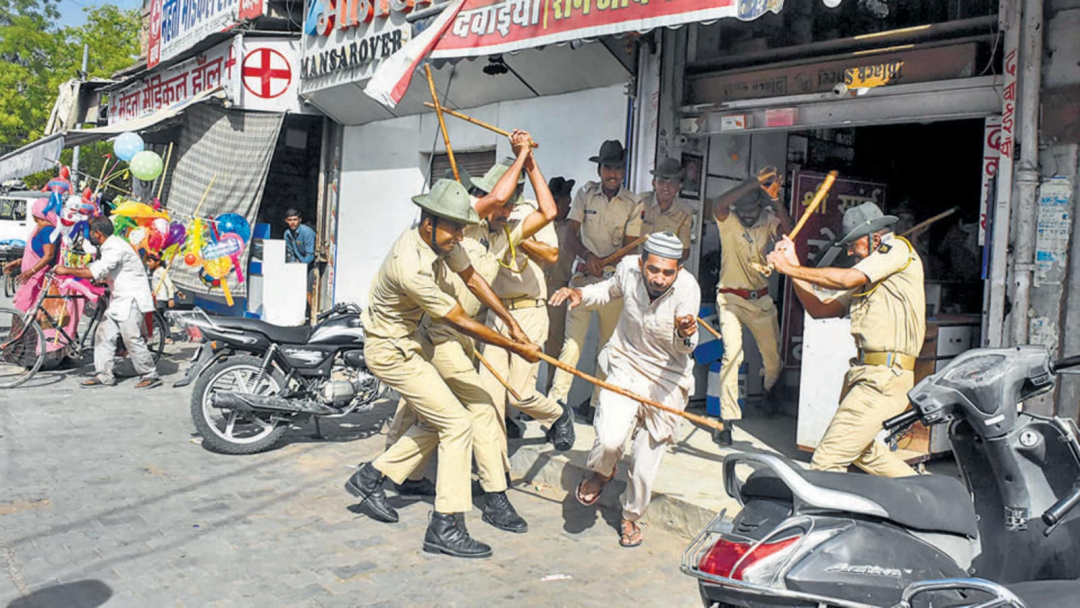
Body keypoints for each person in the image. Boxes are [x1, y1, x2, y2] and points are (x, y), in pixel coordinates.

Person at [342, 176, 541, 559]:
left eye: (463, 228)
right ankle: (445, 525)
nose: (459, 237)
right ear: (428, 222)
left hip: (411, 345)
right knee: (457, 423)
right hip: (389, 351)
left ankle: (370, 478)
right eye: (453, 229)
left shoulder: (442, 239)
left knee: (437, 420)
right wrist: (516, 345)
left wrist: (512, 322)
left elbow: (473, 278)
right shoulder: (410, 264)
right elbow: (460, 319)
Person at [380, 134, 561, 536]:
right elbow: (496, 198)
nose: (507, 209)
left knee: (435, 412)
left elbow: (548, 209)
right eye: (502, 203)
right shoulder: (460, 227)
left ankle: (383, 478)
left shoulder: (504, 235)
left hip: (461, 335)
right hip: (438, 330)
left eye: (512, 205)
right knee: (438, 410)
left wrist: (529, 162)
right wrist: (521, 155)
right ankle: (396, 480)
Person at [549, 232, 700, 548]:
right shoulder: (628, 268)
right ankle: (602, 473)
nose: (659, 278)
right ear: (643, 262)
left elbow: (686, 348)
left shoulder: (688, 290)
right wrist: (581, 294)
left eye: (667, 272)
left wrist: (686, 333)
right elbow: (609, 290)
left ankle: (631, 516)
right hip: (626, 364)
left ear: (679, 270)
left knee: (644, 467)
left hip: (667, 377)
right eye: (653, 269)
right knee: (609, 441)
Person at [766, 201, 924, 478]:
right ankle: (931, 498)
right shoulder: (872, 273)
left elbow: (847, 279)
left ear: (874, 238)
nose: (850, 251)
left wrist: (791, 269)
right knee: (863, 453)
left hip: (884, 378)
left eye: (853, 244)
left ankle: (833, 519)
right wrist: (793, 265)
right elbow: (820, 309)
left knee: (827, 460)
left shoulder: (896, 248)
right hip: (865, 375)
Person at [477, 159, 576, 466]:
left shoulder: (528, 214)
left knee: (519, 394)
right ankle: (495, 474)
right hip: (496, 312)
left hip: (529, 310)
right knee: (489, 397)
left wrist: (519, 238)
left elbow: (552, 255)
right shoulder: (487, 211)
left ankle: (559, 413)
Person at [549, 140, 640, 416]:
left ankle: (596, 405)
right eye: (607, 168)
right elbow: (569, 235)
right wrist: (588, 258)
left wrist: (604, 263)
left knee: (607, 347)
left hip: (613, 284)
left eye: (617, 169)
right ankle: (556, 404)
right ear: (599, 169)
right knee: (571, 345)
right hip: (582, 280)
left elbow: (631, 246)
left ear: (623, 171)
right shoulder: (585, 194)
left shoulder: (633, 203)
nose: (612, 174)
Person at [708, 167, 793, 446]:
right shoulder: (728, 220)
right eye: (740, 210)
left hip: (761, 299)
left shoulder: (768, 219)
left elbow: (790, 231)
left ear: (760, 207)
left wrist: (776, 200)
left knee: (773, 361)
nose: (745, 216)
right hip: (730, 298)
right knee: (733, 355)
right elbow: (718, 203)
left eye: (750, 211)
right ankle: (727, 421)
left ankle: (769, 396)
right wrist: (754, 181)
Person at [55, 216, 160, 389]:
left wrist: (66, 270)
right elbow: (108, 272)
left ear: (98, 233)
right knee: (103, 335)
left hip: (131, 299)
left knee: (131, 338)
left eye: (91, 232)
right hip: (119, 300)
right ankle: (104, 375)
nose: (90, 235)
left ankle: (150, 374)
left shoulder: (115, 247)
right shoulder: (110, 246)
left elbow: (97, 270)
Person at [626, 157, 695, 260]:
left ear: (679, 186)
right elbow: (629, 243)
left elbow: (684, 252)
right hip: (638, 263)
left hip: (665, 267)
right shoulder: (640, 203)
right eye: (661, 181)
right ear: (653, 183)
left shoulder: (684, 212)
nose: (666, 187)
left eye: (671, 183)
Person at [543, 176, 575, 391]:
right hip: (536, 288)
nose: (559, 205)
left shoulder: (573, 229)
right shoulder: (540, 224)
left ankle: (549, 393)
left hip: (558, 288)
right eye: (554, 200)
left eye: (562, 201)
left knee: (554, 346)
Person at [284, 208, 317, 314]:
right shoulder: (287, 234)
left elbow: (310, 256)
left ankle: (314, 316)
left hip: (312, 264)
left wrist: (301, 266)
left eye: (295, 219)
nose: (292, 222)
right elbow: (290, 252)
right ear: (286, 221)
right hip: (299, 266)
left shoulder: (307, 232)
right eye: (290, 220)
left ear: (300, 220)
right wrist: (294, 264)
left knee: (309, 291)